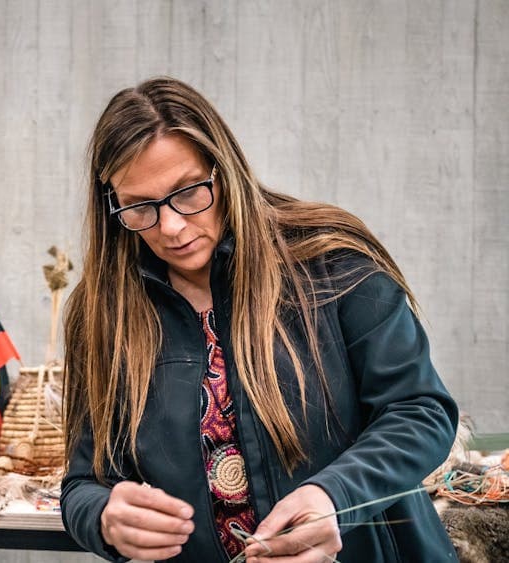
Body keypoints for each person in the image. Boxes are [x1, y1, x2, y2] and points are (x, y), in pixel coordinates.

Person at [60, 77, 458, 562]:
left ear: (222, 170)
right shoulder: (103, 311)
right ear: (111, 203)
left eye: (188, 193)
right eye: (140, 207)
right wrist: (103, 517)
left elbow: (420, 411)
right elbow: (83, 481)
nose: (170, 226)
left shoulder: (331, 261)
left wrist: (333, 498)